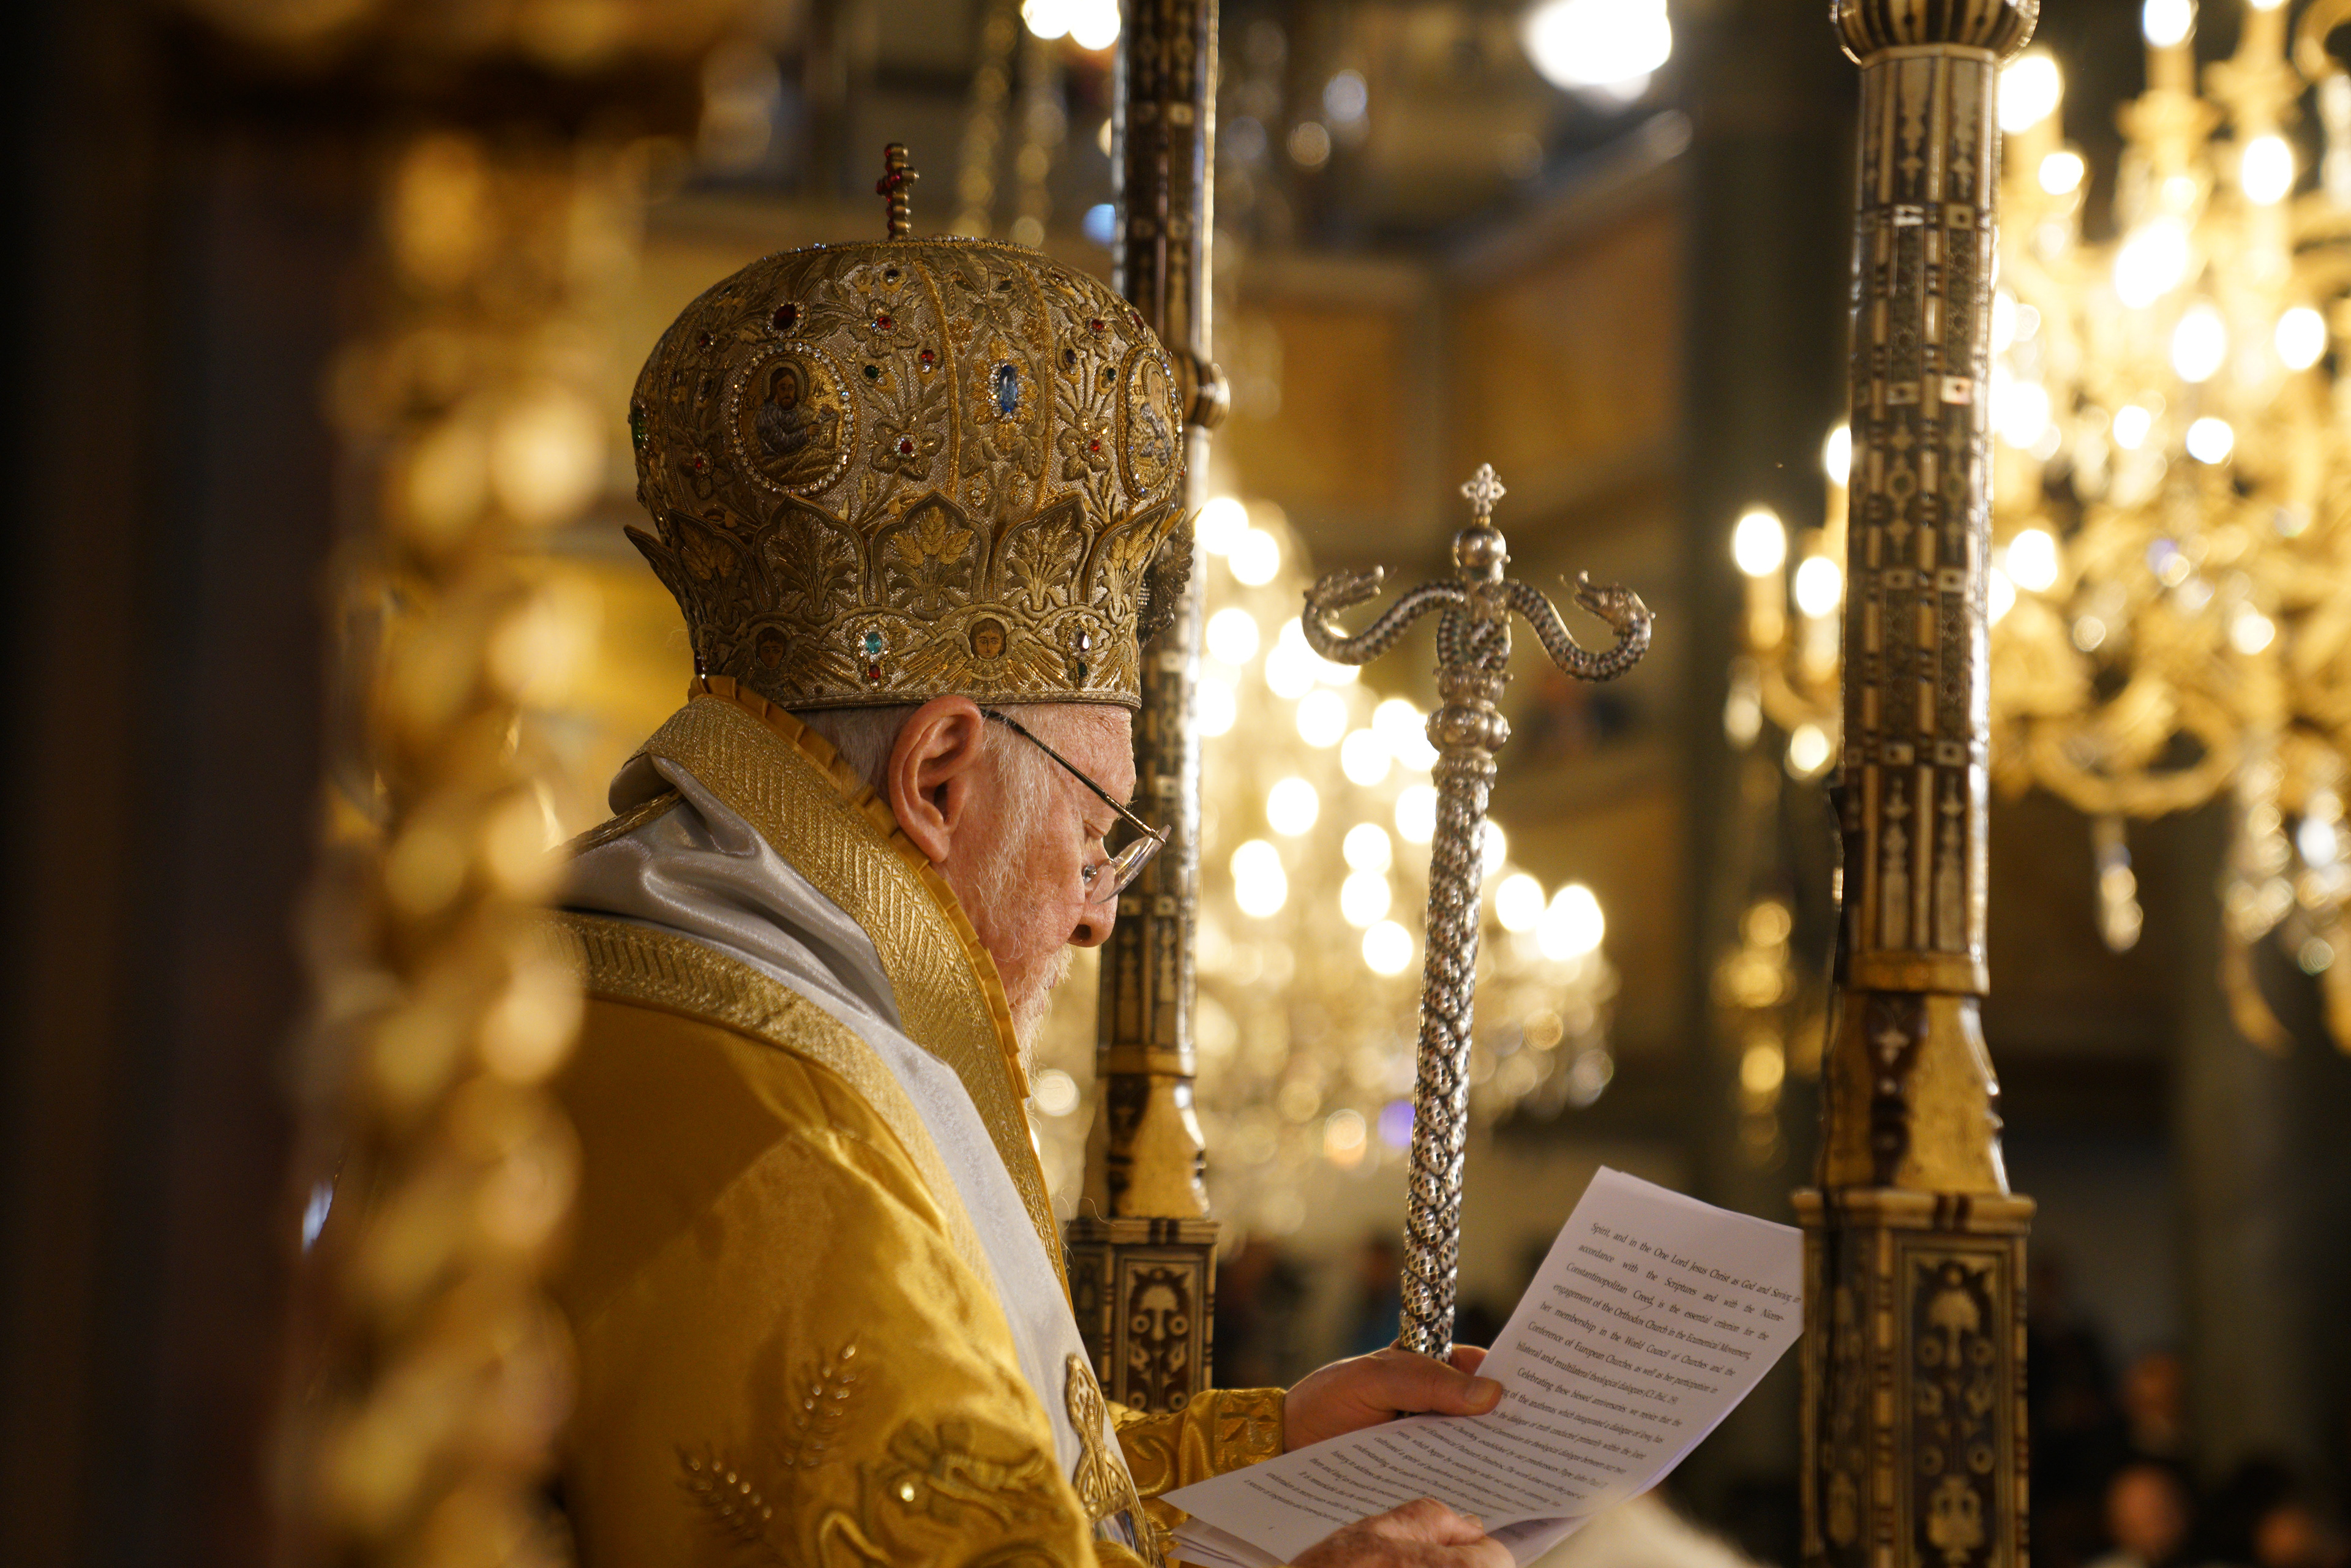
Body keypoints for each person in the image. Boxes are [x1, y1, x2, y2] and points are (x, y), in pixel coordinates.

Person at [550, 220, 1509, 1566]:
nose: (1100, 908)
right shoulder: (788, 1124)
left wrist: (1278, 1448)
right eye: (1095, 831)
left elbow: (989, 1473)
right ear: (941, 776)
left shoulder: (682, 976)